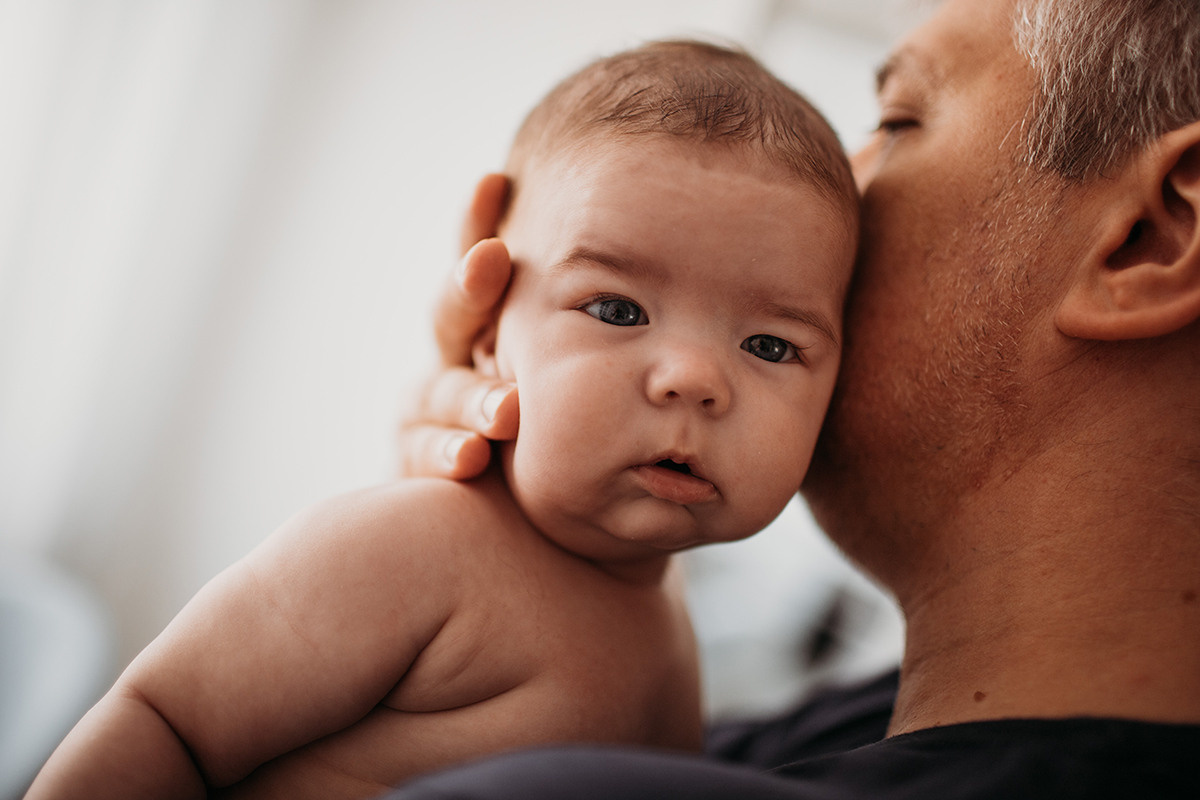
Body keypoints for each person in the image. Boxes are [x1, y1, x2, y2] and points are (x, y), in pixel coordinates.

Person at [389, 0, 1200, 797]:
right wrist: (508, 535)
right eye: (614, 309)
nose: (835, 186)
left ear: (1147, 240)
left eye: (895, 123)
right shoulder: (844, 724)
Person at [25, 41, 860, 800]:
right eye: (615, 308)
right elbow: (163, 720)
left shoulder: (666, 608)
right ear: (490, 327)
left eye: (769, 345)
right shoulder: (417, 544)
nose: (693, 379)